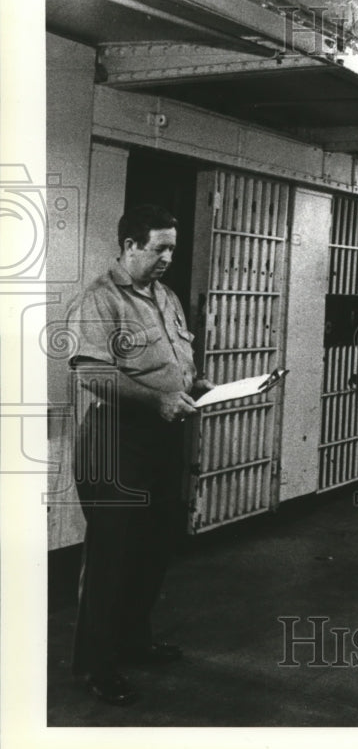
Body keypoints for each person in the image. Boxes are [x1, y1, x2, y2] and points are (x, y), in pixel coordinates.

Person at [68, 204, 213, 706]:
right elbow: (91, 373)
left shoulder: (166, 297)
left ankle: (133, 641)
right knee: (112, 556)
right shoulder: (100, 300)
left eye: (173, 247)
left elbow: (175, 362)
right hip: (115, 442)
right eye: (160, 248)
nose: (169, 257)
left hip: (159, 439)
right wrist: (158, 399)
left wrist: (195, 384)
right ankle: (95, 665)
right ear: (130, 245)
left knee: (152, 549)